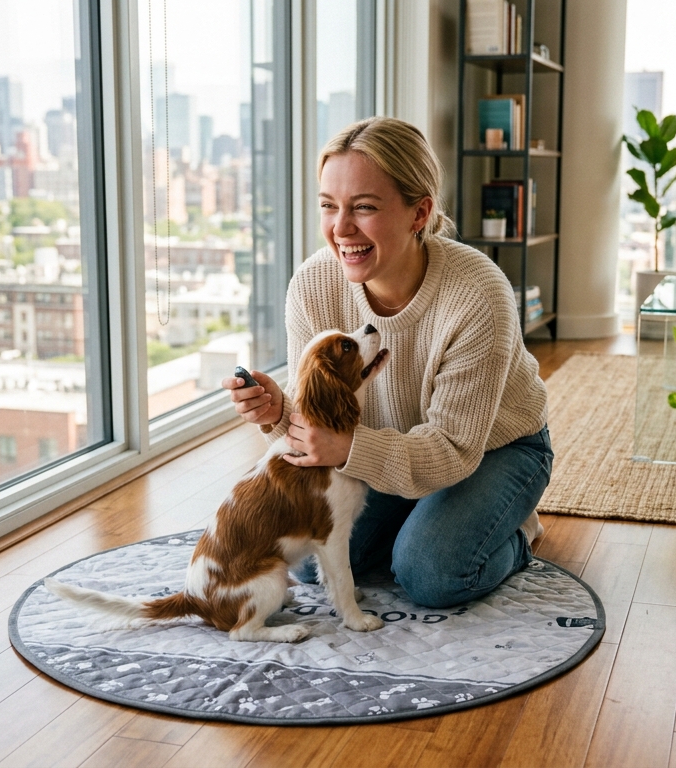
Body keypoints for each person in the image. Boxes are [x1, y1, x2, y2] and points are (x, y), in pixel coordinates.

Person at [222, 116, 552, 609]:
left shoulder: (478, 294)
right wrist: (277, 414)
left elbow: (453, 450)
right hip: (380, 446)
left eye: (365, 208)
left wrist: (351, 449)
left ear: (419, 213)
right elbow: (316, 427)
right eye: (329, 206)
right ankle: (419, 510)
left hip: (491, 449)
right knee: (313, 565)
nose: (340, 229)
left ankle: (516, 531)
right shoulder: (313, 286)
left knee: (430, 574)